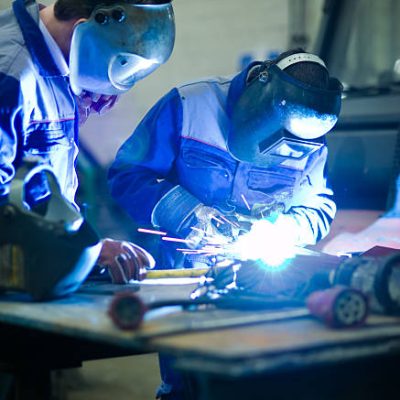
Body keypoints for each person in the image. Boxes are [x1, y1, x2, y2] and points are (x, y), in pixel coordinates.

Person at [108, 48, 343, 399]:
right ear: (259, 99)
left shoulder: (309, 138)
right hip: (185, 281)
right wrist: (188, 215)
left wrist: (288, 230)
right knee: (188, 386)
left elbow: (318, 205)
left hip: (261, 286)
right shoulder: (190, 105)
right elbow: (128, 174)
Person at [0, 0, 175, 283]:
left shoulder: (55, 59)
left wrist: (77, 97)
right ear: (85, 29)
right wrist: (86, 252)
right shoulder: (12, 73)